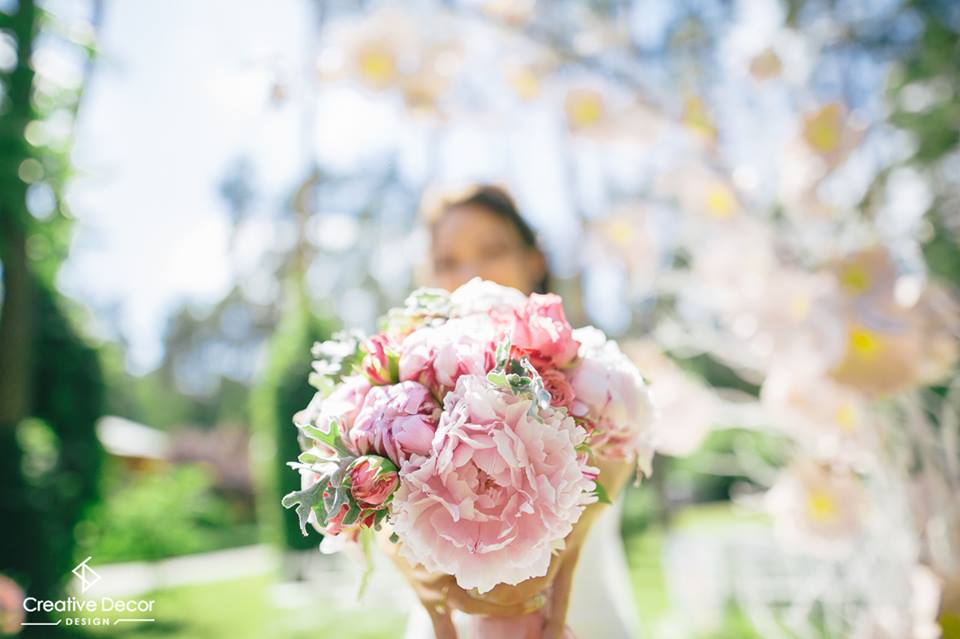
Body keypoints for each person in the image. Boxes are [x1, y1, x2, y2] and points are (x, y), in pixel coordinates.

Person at [397, 184, 641, 639]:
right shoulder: (398, 384)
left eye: (492, 250)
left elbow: (617, 462)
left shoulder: (599, 374)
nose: (471, 274)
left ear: (534, 259)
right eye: (448, 261)